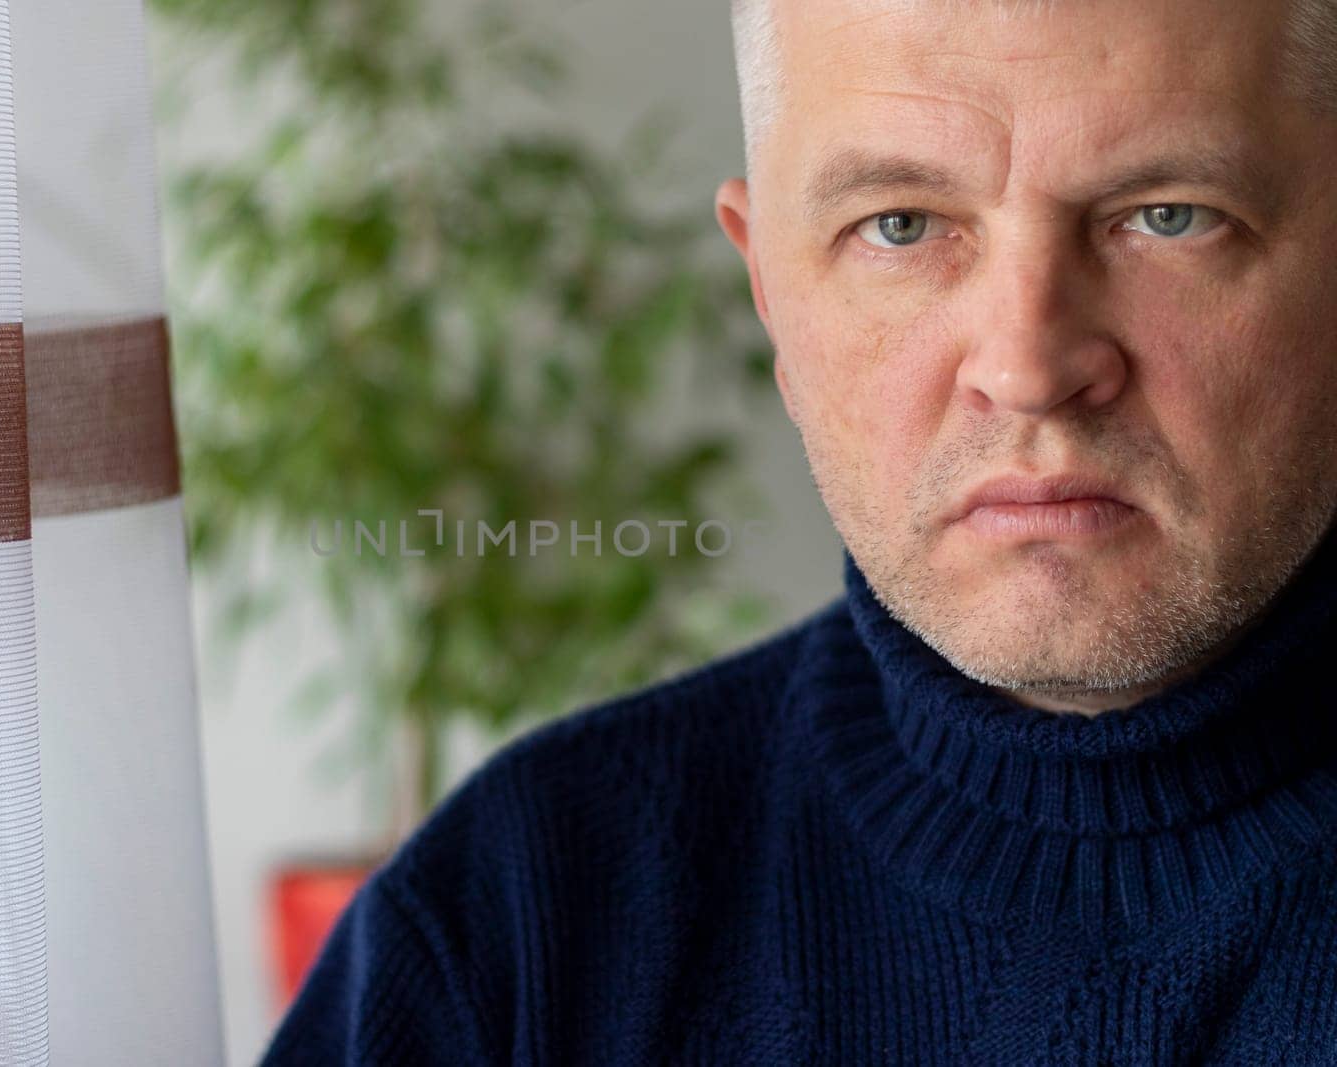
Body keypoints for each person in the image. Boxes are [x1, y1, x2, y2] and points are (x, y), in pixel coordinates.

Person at [261, 0, 1337, 1061]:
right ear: (769, 290)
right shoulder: (515, 925)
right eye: (900, 225)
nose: (1026, 367)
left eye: (1167, 214)